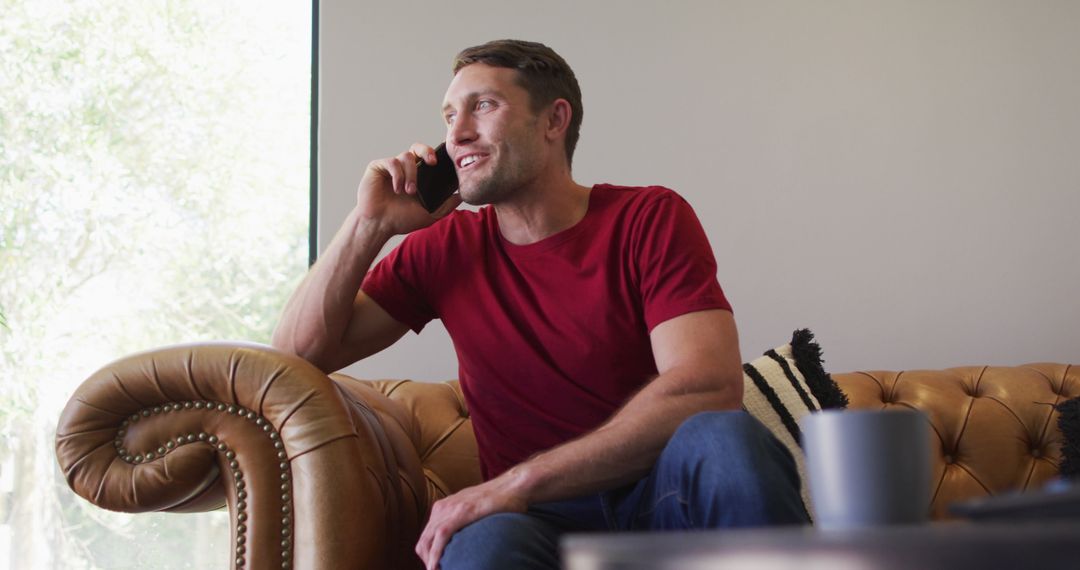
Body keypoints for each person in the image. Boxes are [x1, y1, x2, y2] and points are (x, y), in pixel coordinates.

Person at [271, 39, 808, 570]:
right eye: (449, 114)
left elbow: (707, 387)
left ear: (554, 120)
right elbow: (296, 355)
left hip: (658, 497)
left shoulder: (649, 217)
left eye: (483, 106)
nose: (456, 133)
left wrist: (516, 482)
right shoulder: (444, 248)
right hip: (537, 525)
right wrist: (370, 224)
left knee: (725, 439)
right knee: (481, 547)